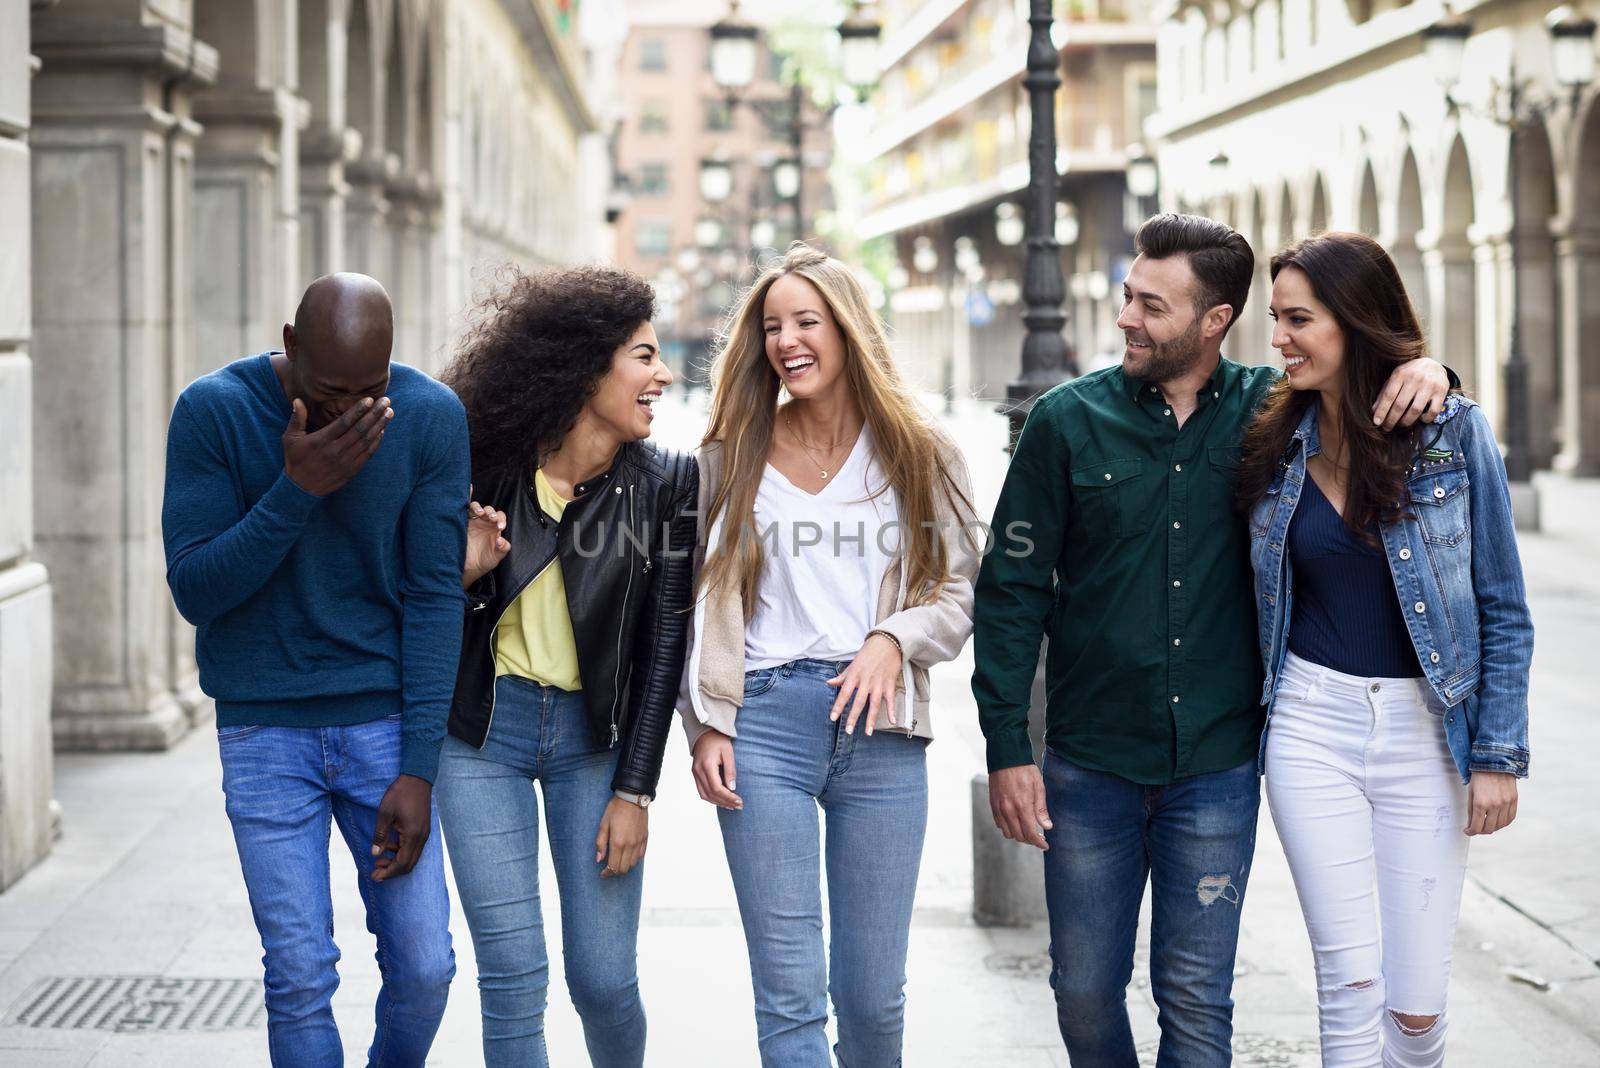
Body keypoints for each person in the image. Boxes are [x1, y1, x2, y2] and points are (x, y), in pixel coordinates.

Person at [971, 214, 1453, 1066]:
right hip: (1088, 765)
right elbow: (1010, 593)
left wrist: (1432, 369)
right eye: (1127, 297)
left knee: (1196, 998)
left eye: (1151, 306)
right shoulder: (1063, 422)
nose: (1126, 318)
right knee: (1082, 991)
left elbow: (1376, 387)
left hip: (1218, 767)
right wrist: (1009, 745)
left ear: (1214, 320)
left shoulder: (1280, 411)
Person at [677, 243, 982, 1067]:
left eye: (806, 321)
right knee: (789, 996)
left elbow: (957, 595)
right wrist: (707, 723)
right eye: (772, 326)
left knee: (875, 1000)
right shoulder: (726, 459)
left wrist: (894, 637)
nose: (787, 340)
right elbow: (690, 608)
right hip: (765, 727)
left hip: (882, 732)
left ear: (847, 331)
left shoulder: (923, 452)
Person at [1237, 232, 1531, 1066]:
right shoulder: (1272, 431)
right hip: (1309, 722)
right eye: (1275, 318)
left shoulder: (1450, 434)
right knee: (1348, 985)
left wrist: (1499, 754)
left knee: (1415, 1011)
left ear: (1357, 324)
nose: (1280, 339)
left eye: (1300, 320)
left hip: (1426, 732)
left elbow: (1503, 605)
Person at [162, 273, 464, 1067]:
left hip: (384, 725)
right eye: (332, 390)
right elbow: (196, 589)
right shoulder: (214, 410)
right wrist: (295, 490)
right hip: (264, 731)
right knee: (299, 976)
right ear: (291, 347)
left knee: (427, 966)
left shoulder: (427, 415)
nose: (352, 412)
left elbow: (435, 595)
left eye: (372, 389)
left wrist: (419, 769)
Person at [435, 265, 697, 1068]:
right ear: (587, 370)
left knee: (605, 981)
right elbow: (417, 614)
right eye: (644, 356)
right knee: (514, 979)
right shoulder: (484, 464)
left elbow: (663, 653)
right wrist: (467, 576)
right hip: (483, 739)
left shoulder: (669, 484)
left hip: (596, 743)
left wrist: (635, 790)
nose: (663, 375)